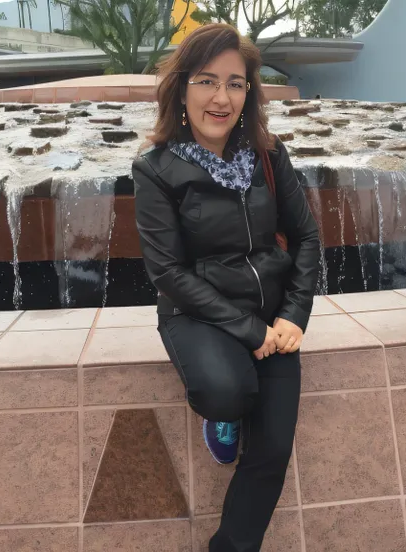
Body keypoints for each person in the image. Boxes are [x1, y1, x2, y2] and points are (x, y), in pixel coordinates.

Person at [132, 23, 321, 552]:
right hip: (197, 313)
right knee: (228, 390)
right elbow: (167, 272)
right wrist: (247, 328)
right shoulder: (155, 170)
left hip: (274, 314)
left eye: (235, 84)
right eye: (206, 81)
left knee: (273, 451)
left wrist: (293, 315)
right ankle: (224, 415)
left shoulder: (267, 153)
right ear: (182, 88)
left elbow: (306, 235)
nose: (221, 97)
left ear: (249, 92)